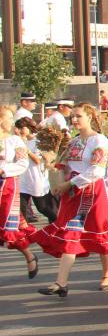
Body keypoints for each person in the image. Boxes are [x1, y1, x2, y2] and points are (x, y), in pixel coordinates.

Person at [31, 102, 108, 296]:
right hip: (73, 194)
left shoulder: (99, 140)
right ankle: (61, 282)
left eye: (78, 116)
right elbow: (65, 164)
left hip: (94, 192)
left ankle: (107, 273)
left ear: (89, 117)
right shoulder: (74, 141)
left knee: (100, 234)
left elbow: (97, 169)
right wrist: (55, 167)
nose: (75, 120)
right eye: (73, 117)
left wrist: (69, 184)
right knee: (71, 234)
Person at [1, 107, 38, 278]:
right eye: (9, 118)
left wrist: (3, 169)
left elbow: (23, 163)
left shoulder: (15, 140)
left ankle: (30, 256)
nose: (12, 122)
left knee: (9, 229)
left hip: (7, 186)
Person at [15, 117, 56, 223]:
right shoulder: (20, 141)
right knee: (22, 208)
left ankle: (58, 221)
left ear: (29, 127)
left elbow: (38, 161)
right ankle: (24, 232)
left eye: (22, 128)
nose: (20, 131)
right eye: (18, 128)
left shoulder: (38, 141)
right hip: (24, 179)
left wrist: (27, 151)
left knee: (42, 208)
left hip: (36, 178)